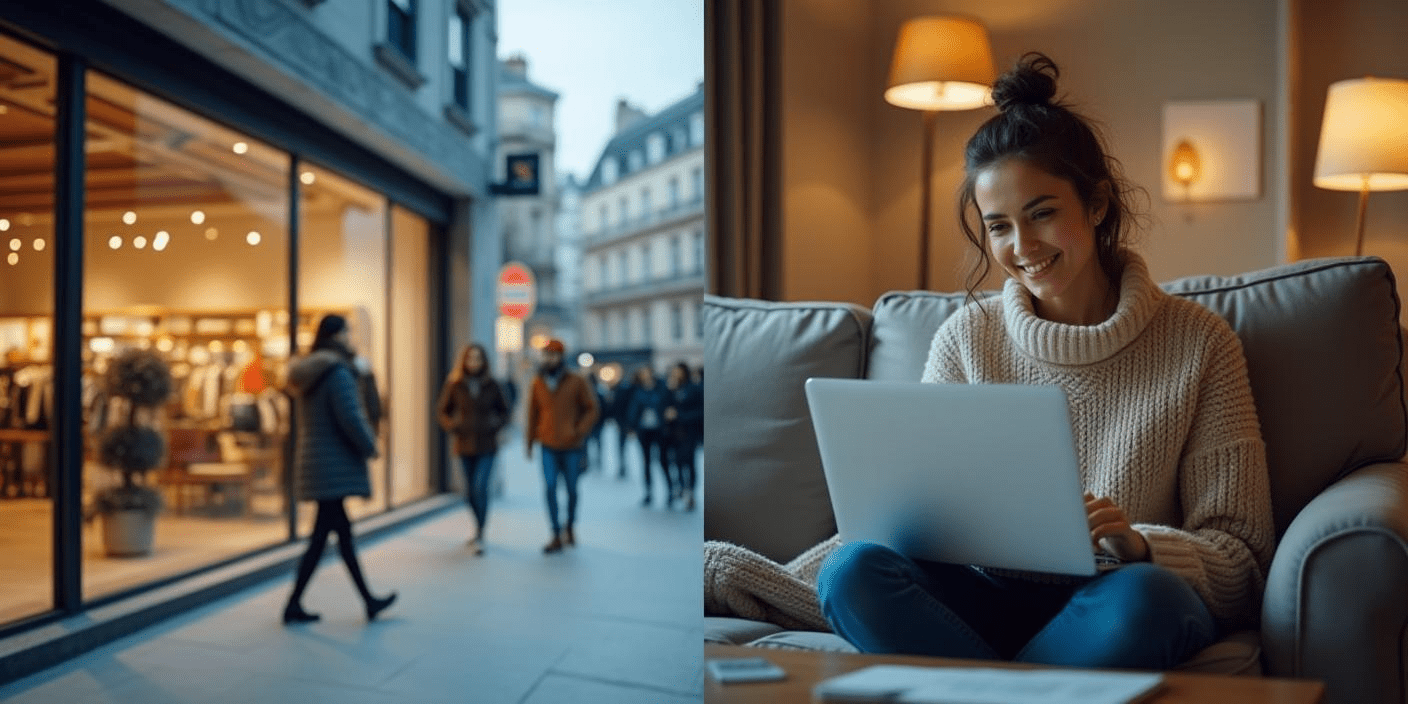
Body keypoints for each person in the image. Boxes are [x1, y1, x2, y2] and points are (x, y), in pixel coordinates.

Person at [704, 52, 1273, 671]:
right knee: (853, 572)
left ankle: (984, 684)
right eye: (998, 226)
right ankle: (1033, 687)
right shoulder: (965, 340)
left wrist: (1138, 545)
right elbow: (901, 523)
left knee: (1153, 597)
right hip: (977, 599)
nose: (1022, 248)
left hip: (1113, 601)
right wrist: (747, 576)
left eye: (1043, 214)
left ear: (1099, 205)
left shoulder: (1202, 344)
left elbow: (1240, 559)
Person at [281, 314, 397, 624]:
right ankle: (364, 600)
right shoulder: (337, 371)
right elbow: (351, 416)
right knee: (332, 536)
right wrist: (370, 445)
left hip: (319, 462)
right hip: (333, 464)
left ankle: (302, 603)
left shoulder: (312, 371)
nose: (351, 338)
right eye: (348, 332)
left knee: (330, 537)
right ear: (338, 335)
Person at [436, 343, 510, 555]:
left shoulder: (493, 384)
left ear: (483, 361)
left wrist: (494, 426)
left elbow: (506, 411)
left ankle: (480, 532)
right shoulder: (455, 384)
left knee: (480, 487)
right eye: (470, 358)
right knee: (468, 493)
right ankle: (477, 526)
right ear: (464, 361)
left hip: (487, 445)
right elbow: (442, 411)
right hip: (463, 444)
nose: (474, 362)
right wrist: (453, 426)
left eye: (478, 358)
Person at [526, 339, 599, 553]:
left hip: (572, 445)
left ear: (561, 357)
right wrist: (530, 441)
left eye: (553, 355)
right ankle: (555, 532)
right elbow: (532, 413)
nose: (549, 359)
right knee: (549, 487)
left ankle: (570, 525)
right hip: (547, 444)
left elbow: (592, 409)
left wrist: (579, 430)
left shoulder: (577, 380)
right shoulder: (538, 381)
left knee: (572, 489)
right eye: (546, 355)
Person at [625, 366, 672, 507]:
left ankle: (670, 490)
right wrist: (631, 427)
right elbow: (633, 409)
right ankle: (649, 492)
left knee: (663, 461)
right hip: (644, 430)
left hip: (659, 429)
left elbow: (663, 405)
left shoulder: (661, 389)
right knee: (646, 462)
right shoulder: (638, 390)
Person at [663, 361, 702, 511]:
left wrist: (680, 415)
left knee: (689, 462)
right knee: (676, 461)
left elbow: (700, 411)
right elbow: (664, 406)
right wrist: (669, 391)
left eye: (678, 372)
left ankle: (690, 492)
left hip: (689, 431)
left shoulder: (694, 388)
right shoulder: (671, 388)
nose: (676, 375)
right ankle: (680, 487)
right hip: (673, 433)